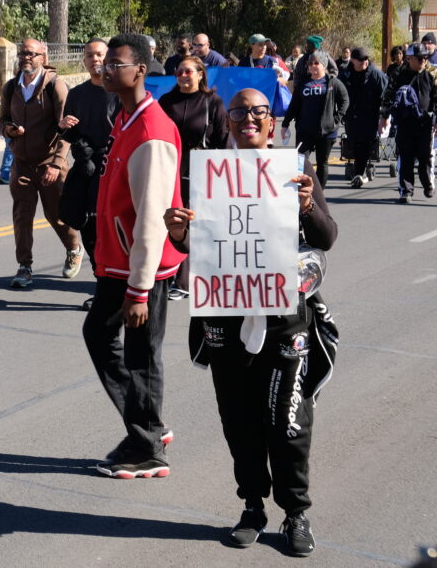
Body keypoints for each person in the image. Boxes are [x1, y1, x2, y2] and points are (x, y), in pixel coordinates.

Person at [164, 87, 338, 557]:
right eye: (238, 112)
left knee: (287, 423)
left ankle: (296, 513)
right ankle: (252, 507)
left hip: (284, 320)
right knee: (238, 421)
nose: (247, 120)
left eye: (257, 112)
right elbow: (191, 244)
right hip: (224, 316)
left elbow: (327, 235)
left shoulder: (294, 172)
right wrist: (177, 230)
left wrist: (307, 205)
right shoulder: (211, 174)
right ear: (229, 119)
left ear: (270, 119)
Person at [84, 33, 185, 479]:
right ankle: (147, 424)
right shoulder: (124, 117)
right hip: (119, 262)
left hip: (141, 268)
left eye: (116, 64)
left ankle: (148, 449)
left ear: (140, 70)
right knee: (100, 335)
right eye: (105, 63)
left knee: (141, 354)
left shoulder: (153, 130)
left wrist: (140, 291)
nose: (106, 69)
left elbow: (151, 219)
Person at [0, 38, 82, 289]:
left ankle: (74, 248)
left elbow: (69, 128)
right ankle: (24, 266)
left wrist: (56, 164)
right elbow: (0, 120)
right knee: (22, 217)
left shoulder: (55, 86)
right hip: (22, 163)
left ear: (43, 57)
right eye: (23, 53)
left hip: (49, 163)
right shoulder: (11, 87)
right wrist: (8, 130)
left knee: (56, 214)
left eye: (32, 54)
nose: (26, 58)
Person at [157, 56, 229, 299]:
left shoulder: (212, 102)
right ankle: (168, 272)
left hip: (202, 170)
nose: (183, 76)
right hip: (170, 169)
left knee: (192, 221)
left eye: (188, 72)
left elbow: (223, 139)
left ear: (200, 74)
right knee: (172, 219)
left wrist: (227, 173)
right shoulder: (166, 101)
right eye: (179, 72)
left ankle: (184, 281)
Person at [57, 38, 119, 311]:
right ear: (84, 60)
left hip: (112, 170)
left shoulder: (119, 92)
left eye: (100, 55)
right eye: (90, 55)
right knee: (87, 228)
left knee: (110, 230)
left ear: (108, 59)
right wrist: (63, 126)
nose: (95, 60)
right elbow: (70, 131)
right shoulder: (77, 94)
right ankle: (101, 284)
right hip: (85, 168)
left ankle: (115, 287)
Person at [281, 50, 349, 188]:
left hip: (326, 131)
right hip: (305, 130)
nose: (313, 66)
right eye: (310, 63)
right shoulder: (303, 85)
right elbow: (293, 106)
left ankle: (319, 193)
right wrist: (285, 124)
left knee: (322, 163)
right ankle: (301, 191)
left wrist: (336, 119)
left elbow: (345, 100)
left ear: (323, 65)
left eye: (316, 63)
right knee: (300, 161)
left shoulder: (332, 82)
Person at [380, 42, 437, 203]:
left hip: (425, 123)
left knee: (425, 156)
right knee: (405, 158)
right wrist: (383, 117)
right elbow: (388, 95)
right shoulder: (398, 73)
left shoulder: (432, 73)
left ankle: (427, 185)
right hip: (404, 123)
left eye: (426, 58)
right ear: (409, 58)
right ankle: (406, 191)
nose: (423, 61)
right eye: (419, 58)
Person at [338, 47, 388, 188]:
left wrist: (385, 116)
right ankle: (359, 171)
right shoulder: (346, 75)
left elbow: (386, 96)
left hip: (369, 116)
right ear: (353, 60)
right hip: (351, 116)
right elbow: (336, 91)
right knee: (354, 142)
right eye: (360, 60)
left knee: (364, 144)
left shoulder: (376, 75)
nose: (364, 62)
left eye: (366, 59)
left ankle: (359, 174)